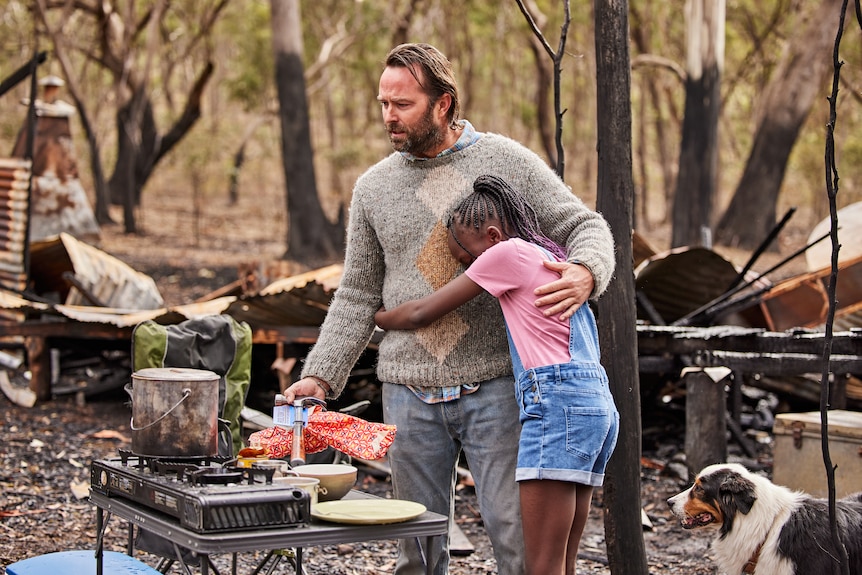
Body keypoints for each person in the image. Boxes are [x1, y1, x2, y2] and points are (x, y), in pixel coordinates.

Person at [282, 42, 615, 575]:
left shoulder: (506, 162)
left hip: (499, 388)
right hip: (408, 392)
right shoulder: (373, 188)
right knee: (414, 549)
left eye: (403, 104)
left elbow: (585, 226)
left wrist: (587, 271)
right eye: (383, 103)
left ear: (443, 103)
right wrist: (319, 378)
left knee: (521, 544)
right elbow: (358, 293)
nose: (389, 116)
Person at [374, 174, 619, 575]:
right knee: (563, 561)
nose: (468, 266)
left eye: (467, 256)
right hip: (595, 406)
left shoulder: (507, 254)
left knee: (539, 565)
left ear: (490, 236)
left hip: (556, 404)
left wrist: (378, 316)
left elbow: (421, 312)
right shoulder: (548, 254)